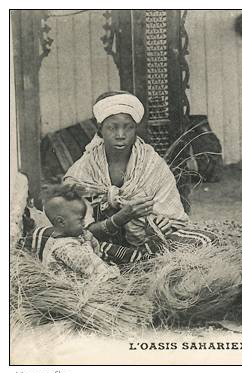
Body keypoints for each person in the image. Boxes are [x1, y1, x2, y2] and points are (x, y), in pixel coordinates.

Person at [60, 90, 217, 264]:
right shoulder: (84, 169)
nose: (120, 135)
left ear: (135, 128)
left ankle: (136, 261)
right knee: (69, 246)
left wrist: (161, 225)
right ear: (100, 129)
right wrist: (121, 218)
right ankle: (136, 263)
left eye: (128, 127)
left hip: (145, 244)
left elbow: (173, 218)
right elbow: (77, 229)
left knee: (206, 241)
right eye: (112, 127)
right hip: (101, 244)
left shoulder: (151, 165)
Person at [41, 184, 120, 281]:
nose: (84, 223)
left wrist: (91, 240)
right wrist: (87, 242)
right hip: (73, 287)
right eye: (80, 220)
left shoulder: (62, 237)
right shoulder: (65, 248)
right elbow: (87, 262)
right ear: (61, 222)